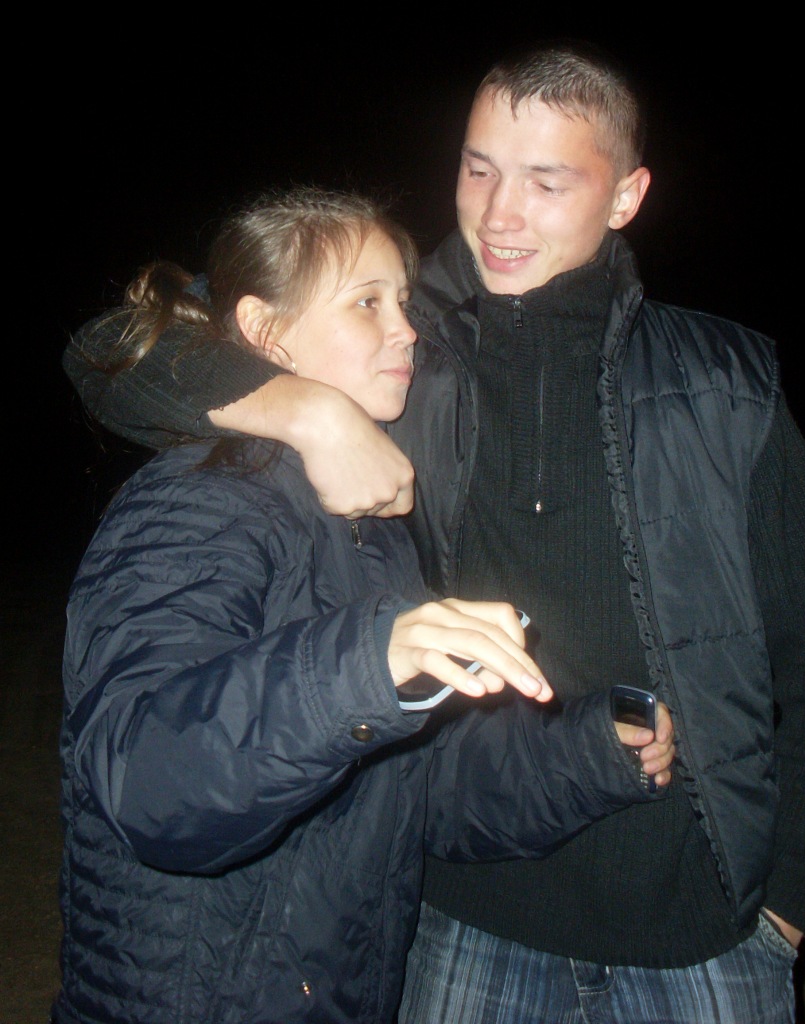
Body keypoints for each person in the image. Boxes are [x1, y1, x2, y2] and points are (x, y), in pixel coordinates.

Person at [62, 43, 805, 1024]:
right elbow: (117, 349)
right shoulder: (404, 348)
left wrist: (792, 902)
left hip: (695, 916)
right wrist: (307, 414)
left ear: (625, 196)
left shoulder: (720, 383)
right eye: (478, 169)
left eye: (545, 181)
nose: (498, 214)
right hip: (453, 911)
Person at [54, 185, 676, 1024]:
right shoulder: (196, 503)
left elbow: (412, 790)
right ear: (264, 330)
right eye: (366, 302)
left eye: (402, 301)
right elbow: (147, 782)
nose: (407, 329)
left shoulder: (366, 529)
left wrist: (590, 753)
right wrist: (368, 661)